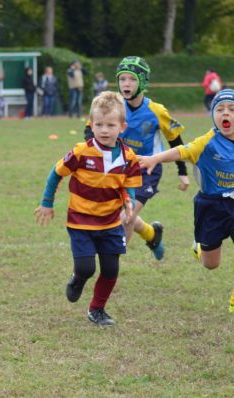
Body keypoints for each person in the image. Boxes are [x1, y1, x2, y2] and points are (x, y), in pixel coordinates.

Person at [35, 91, 142, 326]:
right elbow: (56, 173)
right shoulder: (81, 152)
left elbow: (129, 187)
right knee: (86, 268)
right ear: (91, 125)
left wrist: (129, 206)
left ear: (122, 127)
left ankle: (97, 309)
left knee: (111, 269)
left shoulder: (129, 157)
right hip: (80, 222)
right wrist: (46, 203)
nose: (104, 130)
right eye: (99, 124)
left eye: (110, 125)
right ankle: (77, 278)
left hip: (111, 222)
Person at [138, 89, 234, 313]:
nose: (225, 113)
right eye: (219, 110)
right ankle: (200, 249)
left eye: (231, 109)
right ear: (213, 115)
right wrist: (155, 158)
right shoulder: (208, 142)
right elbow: (181, 151)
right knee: (211, 264)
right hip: (212, 205)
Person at [84, 56, 189, 260]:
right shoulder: (113, 106)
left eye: (131, 79)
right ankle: (151, 233)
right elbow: (90, 130)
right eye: (122, 79)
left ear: (142, 81)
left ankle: (111, 260)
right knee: (116, 213)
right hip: (118, 169)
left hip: (146, 170)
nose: (126, 84)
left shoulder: (156, 111)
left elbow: (176, 140)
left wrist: (182, 172)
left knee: (125, 216)